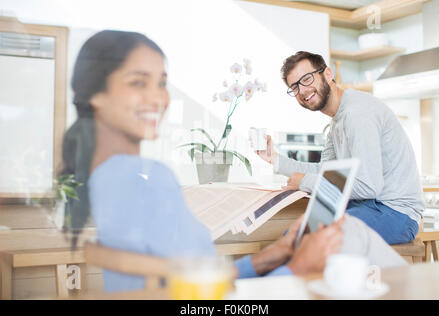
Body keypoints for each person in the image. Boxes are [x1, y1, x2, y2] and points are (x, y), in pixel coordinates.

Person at [63, 31, 405, 293]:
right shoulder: (143, 181)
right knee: (322, 237)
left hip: (385, 209)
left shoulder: (114, 178)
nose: (158, 96)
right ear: (97, 94)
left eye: (162, 83)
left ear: (327, 74)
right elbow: (199, 299)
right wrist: (295, 266)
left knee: (309, 235)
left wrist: (266, 259)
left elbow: (192, 284)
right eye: (139, 82)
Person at [254, 51, 424, 245]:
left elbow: (368, 187)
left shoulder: (356, 115)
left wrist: (305, 182)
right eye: (295, 87)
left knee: (304, 242)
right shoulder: (337, 121)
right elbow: (326, 171)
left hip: (395, 213)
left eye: (307, 79)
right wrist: (275, 159)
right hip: (369, 207)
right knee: (292, 237)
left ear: (327, 74)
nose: (302, 91)